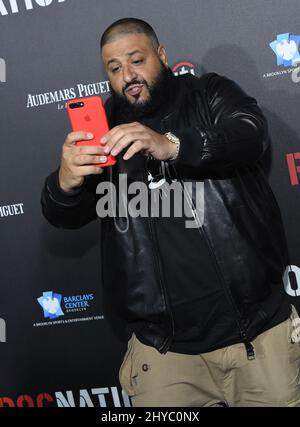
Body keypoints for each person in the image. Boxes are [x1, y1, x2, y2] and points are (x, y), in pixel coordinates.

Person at [41, 18, 300, 407]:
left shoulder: (209, 92)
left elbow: (251, 133)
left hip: (259, 336)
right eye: (115, 68)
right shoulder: (104, 131)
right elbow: (66, 214)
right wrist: (64, 182)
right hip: (165, 357)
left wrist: (173, 145)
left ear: (161, 56)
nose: (128, 76)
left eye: (136, 60)